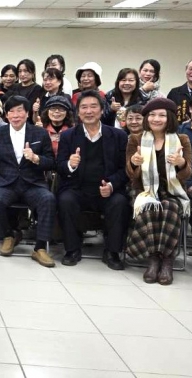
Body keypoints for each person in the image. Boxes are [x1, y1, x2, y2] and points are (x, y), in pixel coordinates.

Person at [56, 90, 130, 269]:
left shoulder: (118, 136)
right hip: (78, 188)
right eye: (84, 107)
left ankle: (112, 251)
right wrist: (70, 164)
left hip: (106, 189)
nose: (88, 111)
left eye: (93, 106)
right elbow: (59, 166)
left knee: (120, 202)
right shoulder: (68, 136)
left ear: (102, 110)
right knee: (65, 200)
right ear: (78, 112)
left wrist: (111, 185)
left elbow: (125, 169)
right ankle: (72, 249)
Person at [0, 96, 57, 265]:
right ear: (6, 115)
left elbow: (52, 162)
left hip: (32, 184)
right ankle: (9, 235)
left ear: (27, 113)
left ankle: (40, 248)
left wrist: (36, 158)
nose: (15, 115)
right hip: (5, 183)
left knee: (48, 199)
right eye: (11, 111)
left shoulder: (40, 133)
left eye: (19, 111)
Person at [125, 98, 192, 285]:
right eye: (152, 115)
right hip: (143, 190)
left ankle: (167, 260)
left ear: (169, 118)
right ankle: (154, 259)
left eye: (162, 115)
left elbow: (187, 174)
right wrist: (134, 163)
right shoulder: (136, 139)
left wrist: (181, 163)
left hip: (172, 191)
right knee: (150, 206)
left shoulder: (182, 140)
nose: (156, 119)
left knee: (170, 207)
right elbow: (130, 175)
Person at [7, 59, 43, 123]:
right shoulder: (14, 87)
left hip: (29, 122)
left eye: (25, 71)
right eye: (20, 71)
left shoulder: (37, 89)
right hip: (13, 121)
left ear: (33, 72)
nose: (22, 74)